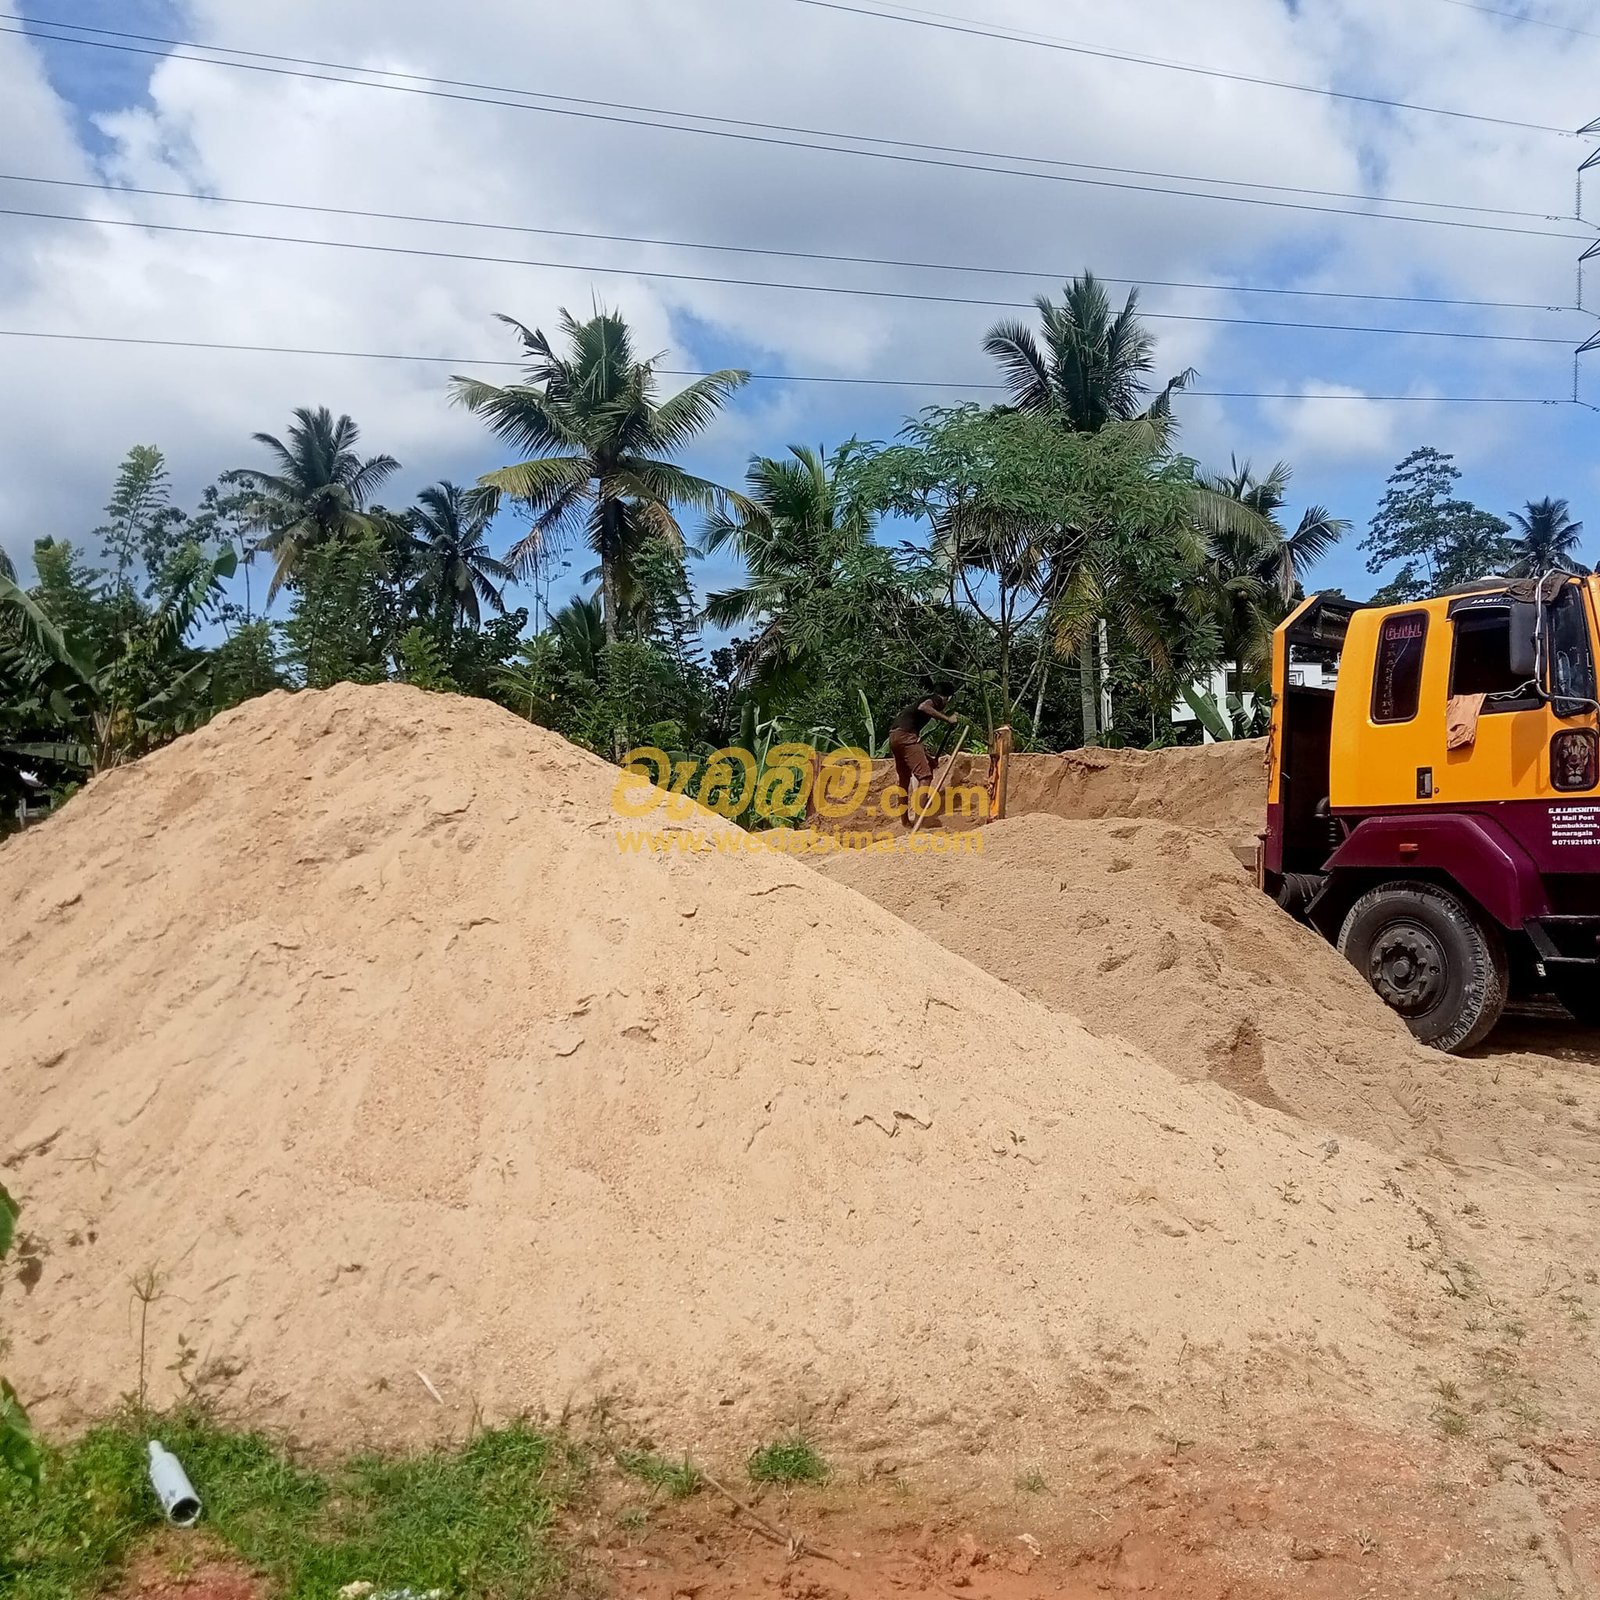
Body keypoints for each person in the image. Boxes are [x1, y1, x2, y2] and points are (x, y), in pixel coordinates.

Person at [888, 687, 959, 824]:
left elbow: (913, 748)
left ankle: (905, 821)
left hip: (894, 736)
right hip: (906, 735)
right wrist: (947, 719)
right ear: (947, 698)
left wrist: (928, 759)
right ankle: (921, 820)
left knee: (904, 780)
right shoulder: (935, 699)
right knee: (925, 776)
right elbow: (924, 707)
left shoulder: (914, 710)